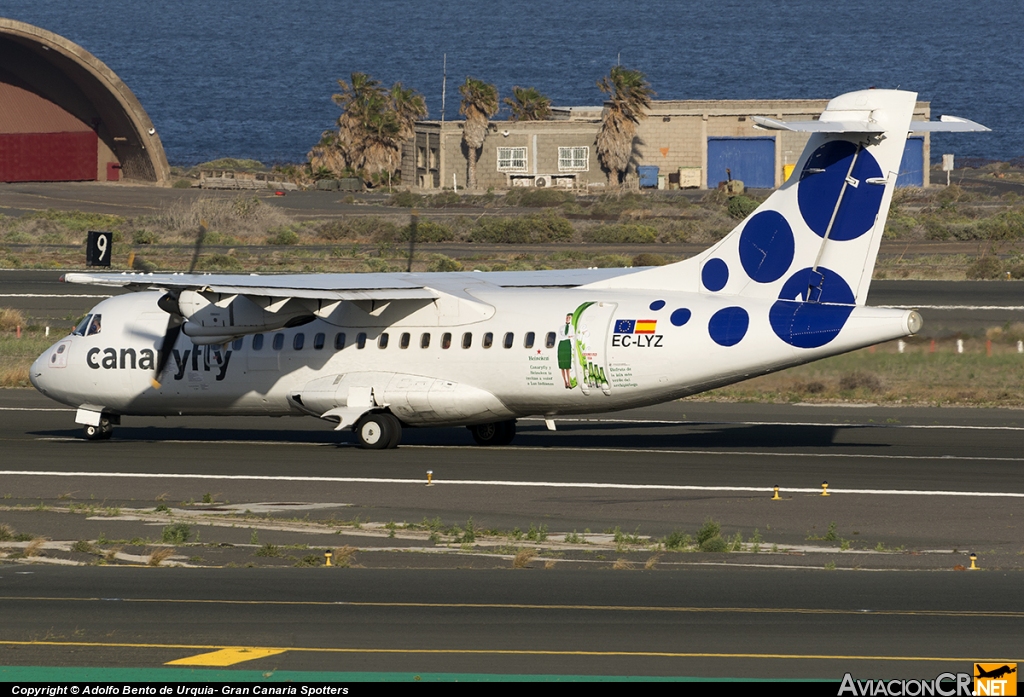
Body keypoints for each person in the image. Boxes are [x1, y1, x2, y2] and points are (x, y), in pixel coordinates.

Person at [557, 313, 574, 388]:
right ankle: (565, 382)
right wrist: (567, 336)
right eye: (567, 317)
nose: (567, 319)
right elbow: (559, 336)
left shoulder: (572, 327)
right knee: (562, 366)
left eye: (569, 318)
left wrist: (565, 337)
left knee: (567, 366)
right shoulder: (561, 327)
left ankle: (569, 382)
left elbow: (573, 335)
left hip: (567, 344)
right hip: (562, 345)